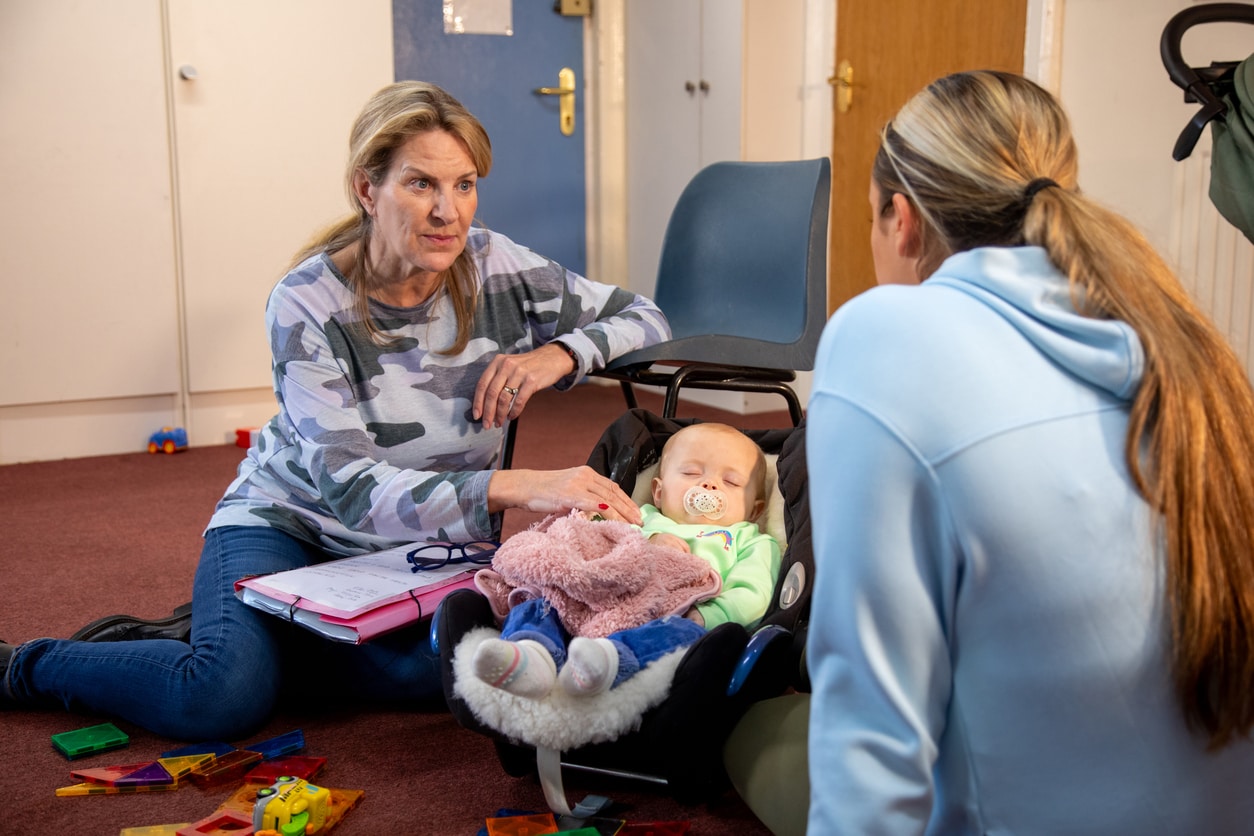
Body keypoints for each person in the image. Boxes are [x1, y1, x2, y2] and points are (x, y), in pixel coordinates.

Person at [0, 81, 670, 740]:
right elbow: (349, 492)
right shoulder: (306, 302)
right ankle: (27, 668)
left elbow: (648, 318)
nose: (449, 212)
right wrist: (520, 487)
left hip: (413, 549)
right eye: (420, 184)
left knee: (452, 671)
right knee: (218, 698)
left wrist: (557, 355)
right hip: (290, 522)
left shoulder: (498, 266)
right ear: (365, 189)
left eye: (464, 185)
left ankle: (256, 630)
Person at [800, 70, 1254, 833]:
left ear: (900, 220)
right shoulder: (1183, 346)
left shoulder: (887, 335)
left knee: (758, 727)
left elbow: (869, 741)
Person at [469, 422, 781, 699]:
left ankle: (608, 661)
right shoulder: (639, 518)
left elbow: (754, 594)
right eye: (691, 473)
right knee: (546, 599)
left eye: (731, 482)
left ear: (755, 510)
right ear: (658, 492)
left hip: (676, 612)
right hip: (604, 600)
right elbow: (599, 544)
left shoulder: (749, 539)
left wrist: (705, 616)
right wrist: (642, 543)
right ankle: (531, 652)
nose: (710, 486)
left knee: (687, 638)